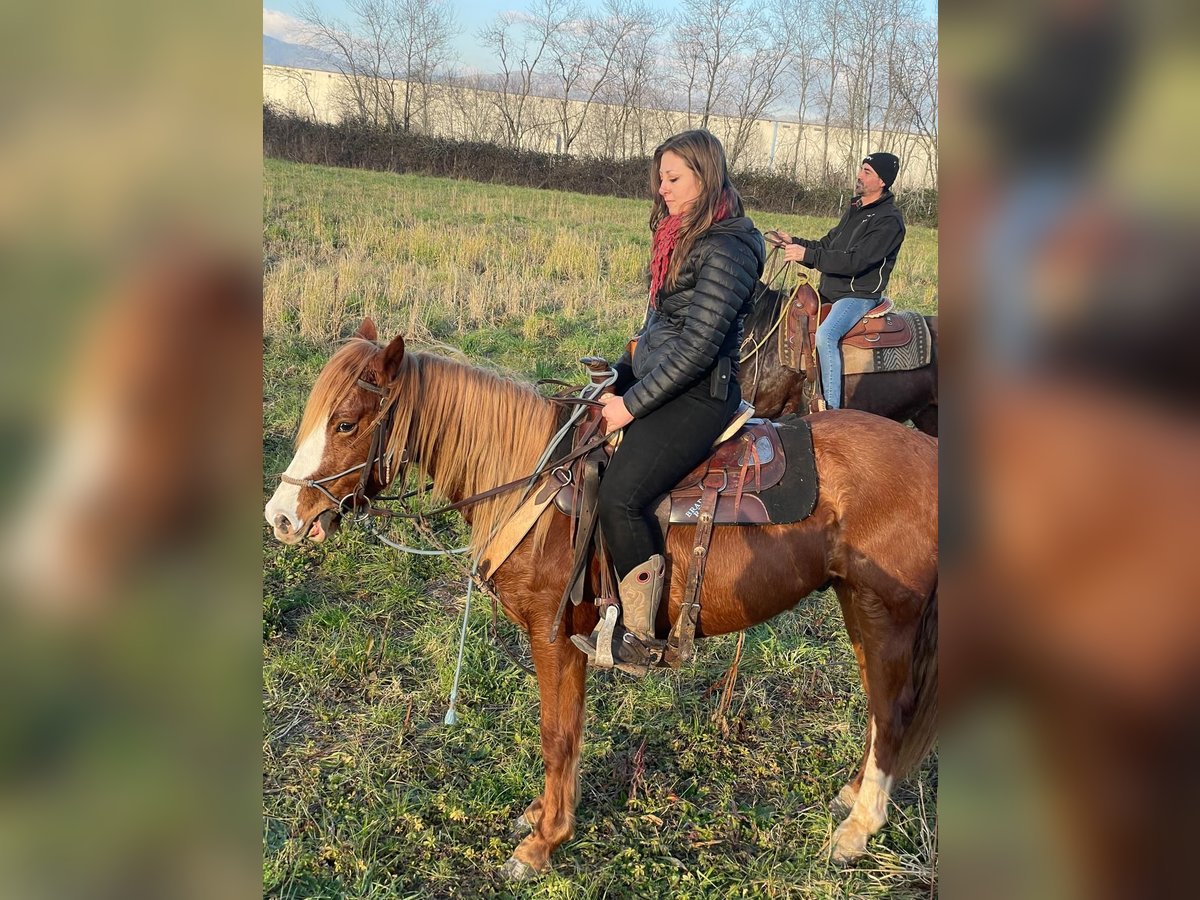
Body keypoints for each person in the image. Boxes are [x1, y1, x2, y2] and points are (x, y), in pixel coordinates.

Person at [571, 130, 766, 674]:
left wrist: (630, 406)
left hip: (700, 394)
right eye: (661, 178)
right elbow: (658, 327)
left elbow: (698, 348)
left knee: (621, 497)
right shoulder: (683, 235)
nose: (662, 189)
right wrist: (620, 372)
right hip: (663, 378)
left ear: (706, 176)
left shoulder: (728, 248)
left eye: (673, 178)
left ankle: (642, 637)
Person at [770, 152, 906, 409]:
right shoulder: (856, 208)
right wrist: (793, 243)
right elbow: (827, 245)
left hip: (857, 295)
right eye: (861, 169)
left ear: (882, 182)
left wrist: (807, 255)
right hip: (830, 292)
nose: (859, 175)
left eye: (867, 172)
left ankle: (830, 410)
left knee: (825, 336)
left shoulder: (889, 220)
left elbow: (857, 261)